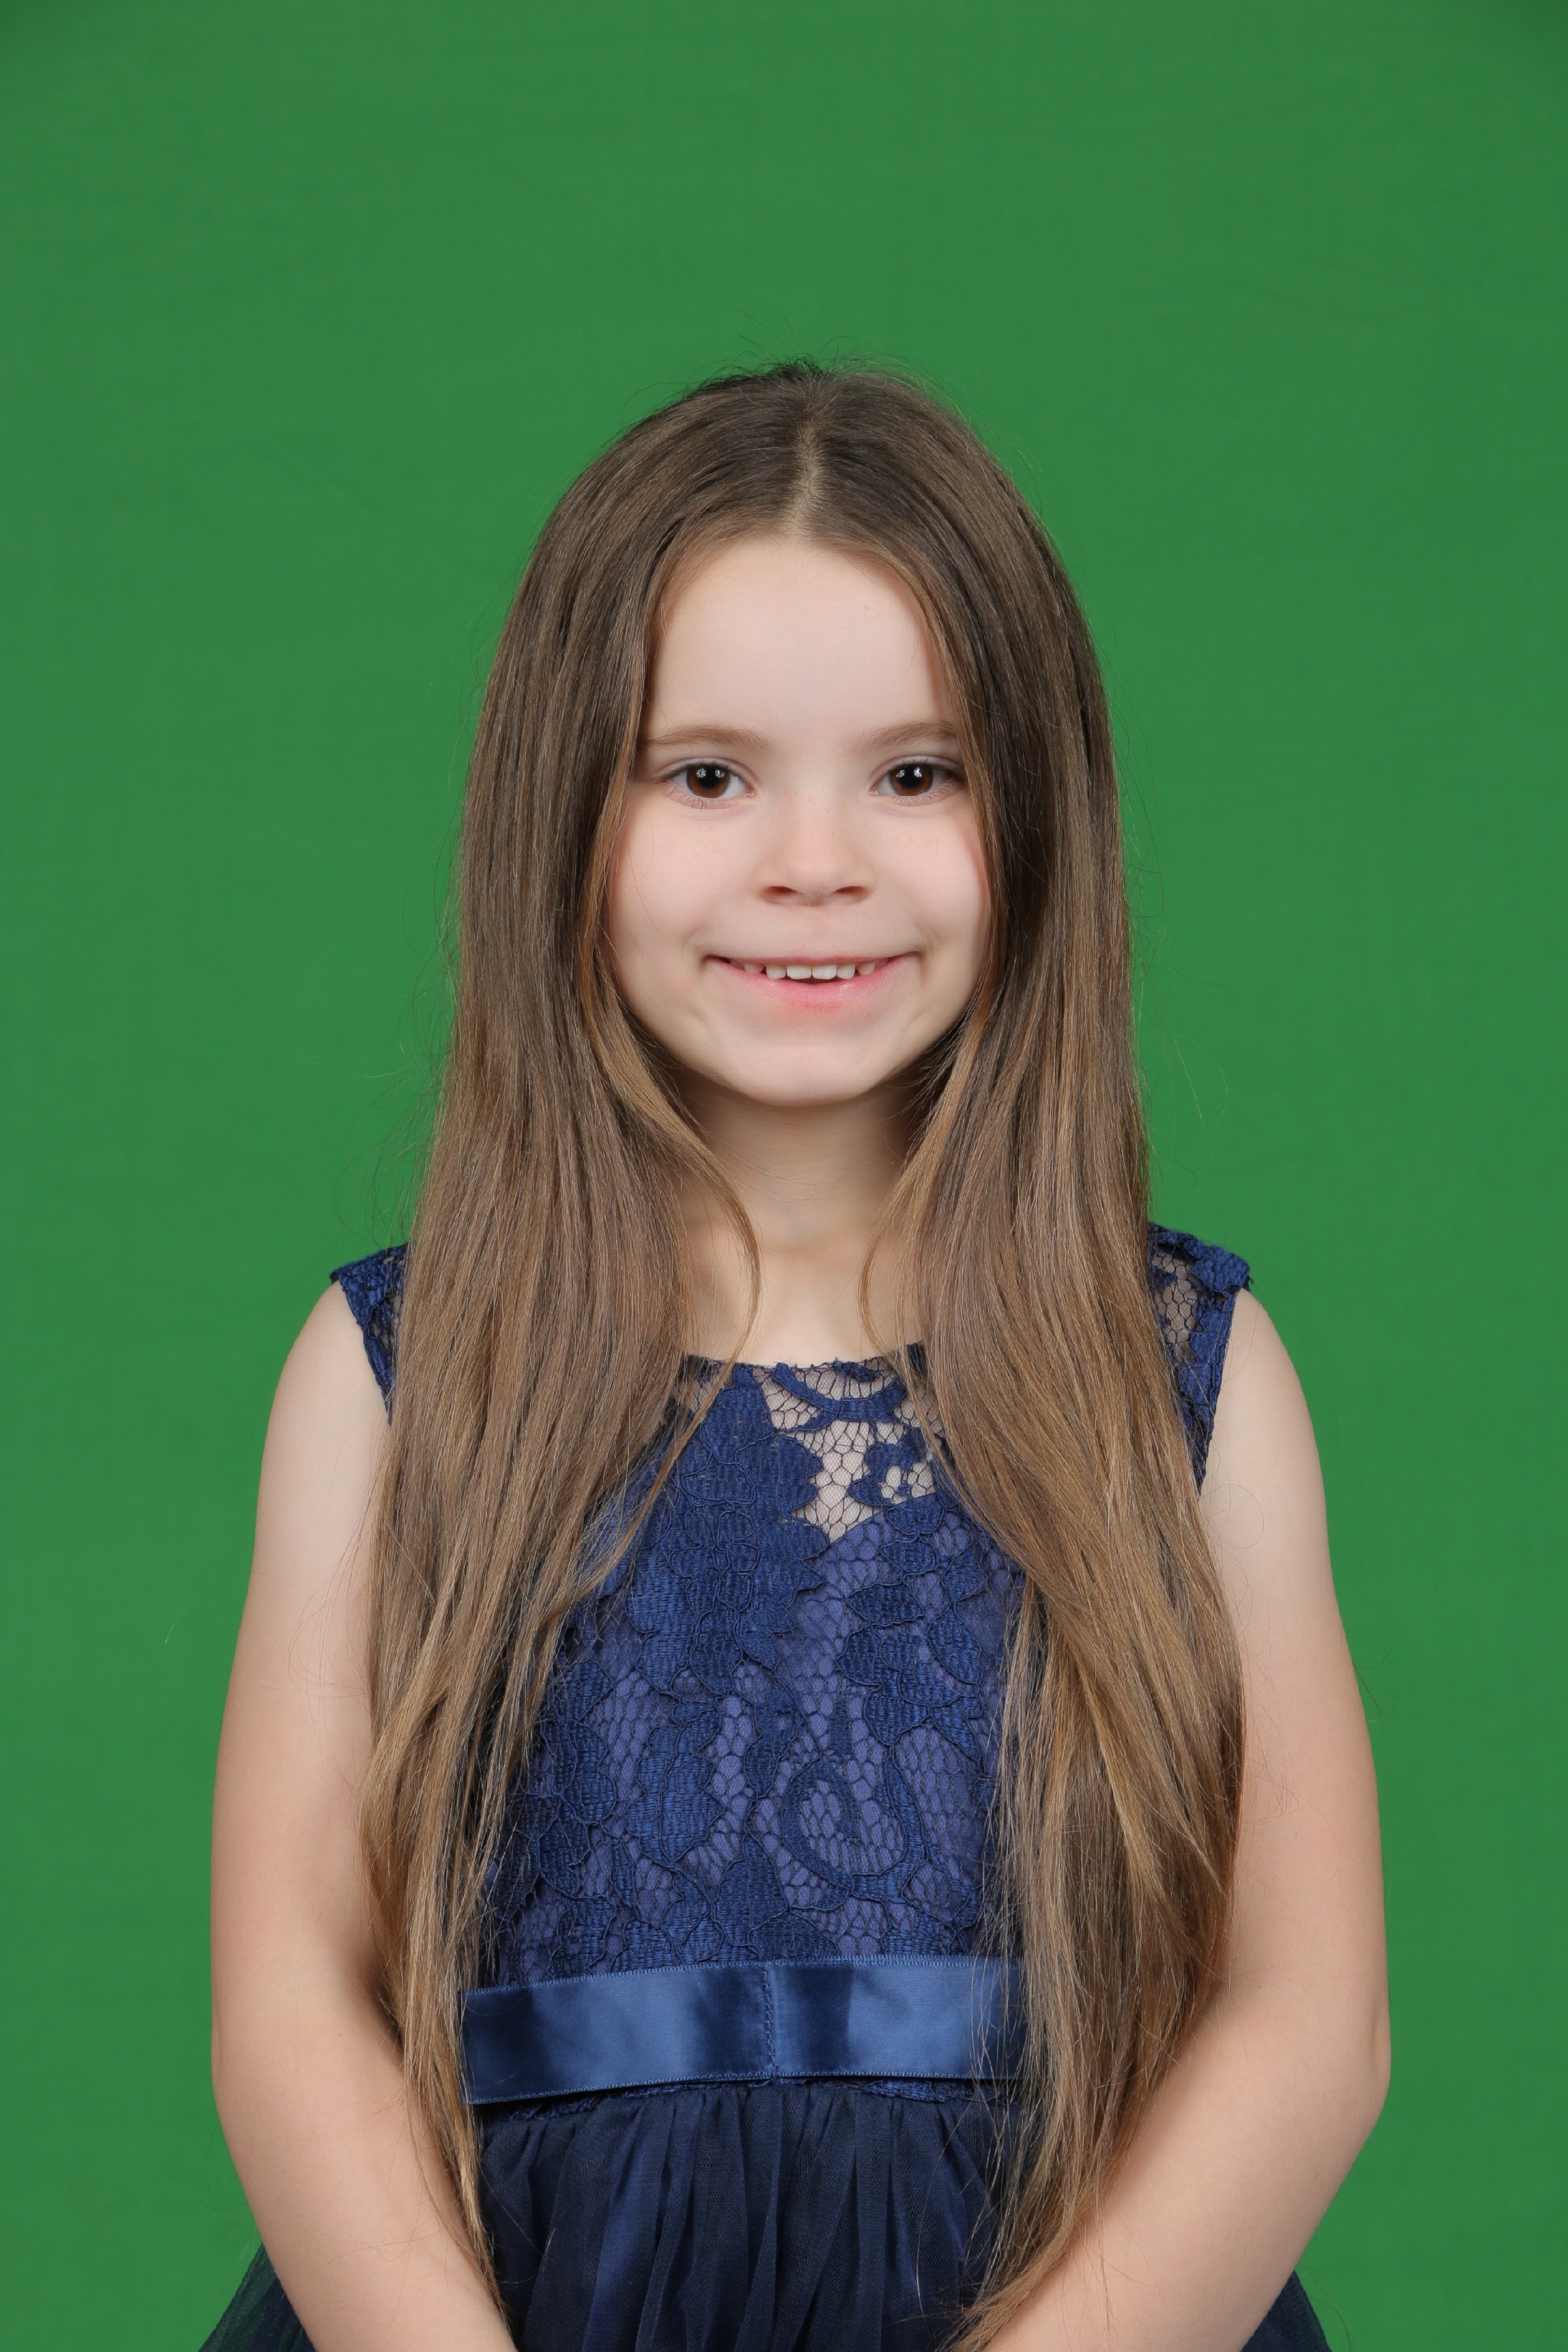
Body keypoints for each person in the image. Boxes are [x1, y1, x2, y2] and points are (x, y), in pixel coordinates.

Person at [203, 363, 1388, 2352]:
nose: (814, 859)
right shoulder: (396, 1376)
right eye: (707, 776)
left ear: (1041, 813)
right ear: (562, 815)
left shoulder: (1186, 1374)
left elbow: (1308, 2015)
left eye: (917, 774)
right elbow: (290, 1997)